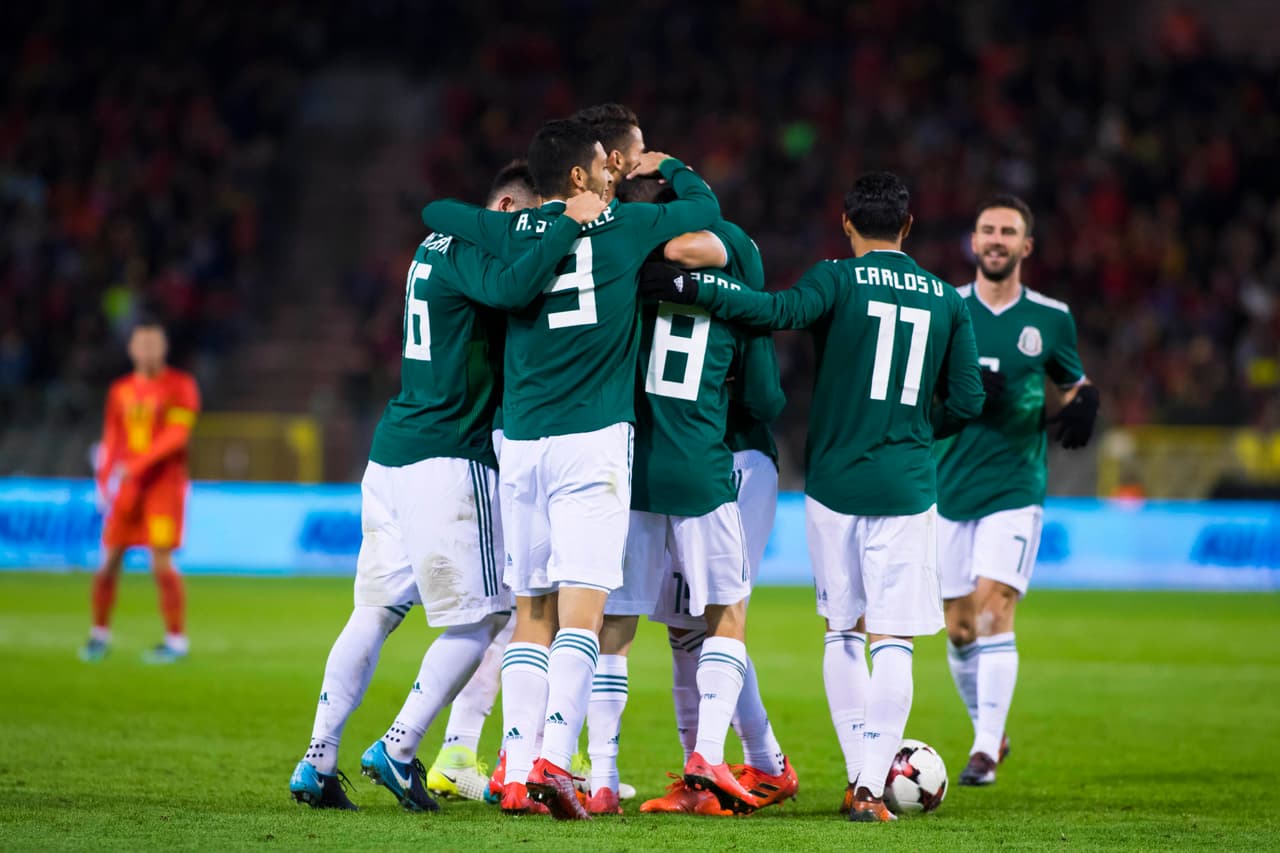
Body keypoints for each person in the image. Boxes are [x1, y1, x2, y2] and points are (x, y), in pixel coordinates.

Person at [644, 171, 985, 822]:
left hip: (833, 485)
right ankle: (867, 787)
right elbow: (968, 400)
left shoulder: (835, 277)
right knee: (894, 642)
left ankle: (860, 772)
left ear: (848, 224)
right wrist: (916, 432)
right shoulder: (947, 298)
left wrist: (695, 285)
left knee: (843, 633)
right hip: (907, 485)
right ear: (907, 227)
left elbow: (774, 313)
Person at [420, 118, 720, 820]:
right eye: (607, 163)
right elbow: (705, 212)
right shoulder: (627, 226)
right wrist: (670, 164)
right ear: (581, 176)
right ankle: (557, 757)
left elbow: (437, 213)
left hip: (520, 442)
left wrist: (551, 220)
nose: (620, 169)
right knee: (581, 609)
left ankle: (518, 769)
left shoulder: (516, 228)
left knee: (531, 610)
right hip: (591, 440)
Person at [288, 167, 606, 811]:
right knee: (488, 616)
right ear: (508, 207)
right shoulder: (473, 253)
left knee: (374, 613)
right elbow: (519, 289)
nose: (533, 232)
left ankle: (318, 759)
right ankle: (400, 748)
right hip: (446, 458)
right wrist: (567, 223)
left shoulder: (432, 248)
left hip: (392, 451)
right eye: (530, 219)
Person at [631, 187, 797, 816]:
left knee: (713, 616)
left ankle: (756, 763)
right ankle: (714, 772)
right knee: (684, 625)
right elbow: (768, 398)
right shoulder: (736, 288)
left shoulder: (642, 295)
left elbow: (763, 403)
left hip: (734, 466)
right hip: (713, 460)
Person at [936, 195, 1097, 787]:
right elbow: (923, 392)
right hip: (949, 485)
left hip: (1016, 487)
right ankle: (991, 726)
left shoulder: (1051, 318)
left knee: (993, 607)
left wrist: (1086, 402)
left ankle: (982, 751)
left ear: (1026, 246)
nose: (997, 240)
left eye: (1008, 231)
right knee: (958, 628)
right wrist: (962, 391)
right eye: (987, 230)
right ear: (973, 243)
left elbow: (1071, 382)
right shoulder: (947, 309)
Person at [423, 162, 534, 804]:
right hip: (503, 448)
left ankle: (466, 749)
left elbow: (436, 212)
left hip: (490, 445)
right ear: (504, 204)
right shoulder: (492, 265)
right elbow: (438, 208)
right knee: (517, 607)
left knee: (521, 608)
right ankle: (463, 748)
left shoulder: (469, 253)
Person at [80, 319, 200, 664]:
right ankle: (99, 635)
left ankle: (176, 640)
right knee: (108, 562)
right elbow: (112, 438)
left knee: (161, 562)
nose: (147, 350)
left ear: (164, 348)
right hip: (128, 489)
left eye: (154, 344)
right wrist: (103, 480)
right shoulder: (120, 391)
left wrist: (135, 464)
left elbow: (177, 435)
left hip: (164, 486)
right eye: (141, 344)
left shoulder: (181, 386)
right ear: (131, 349)